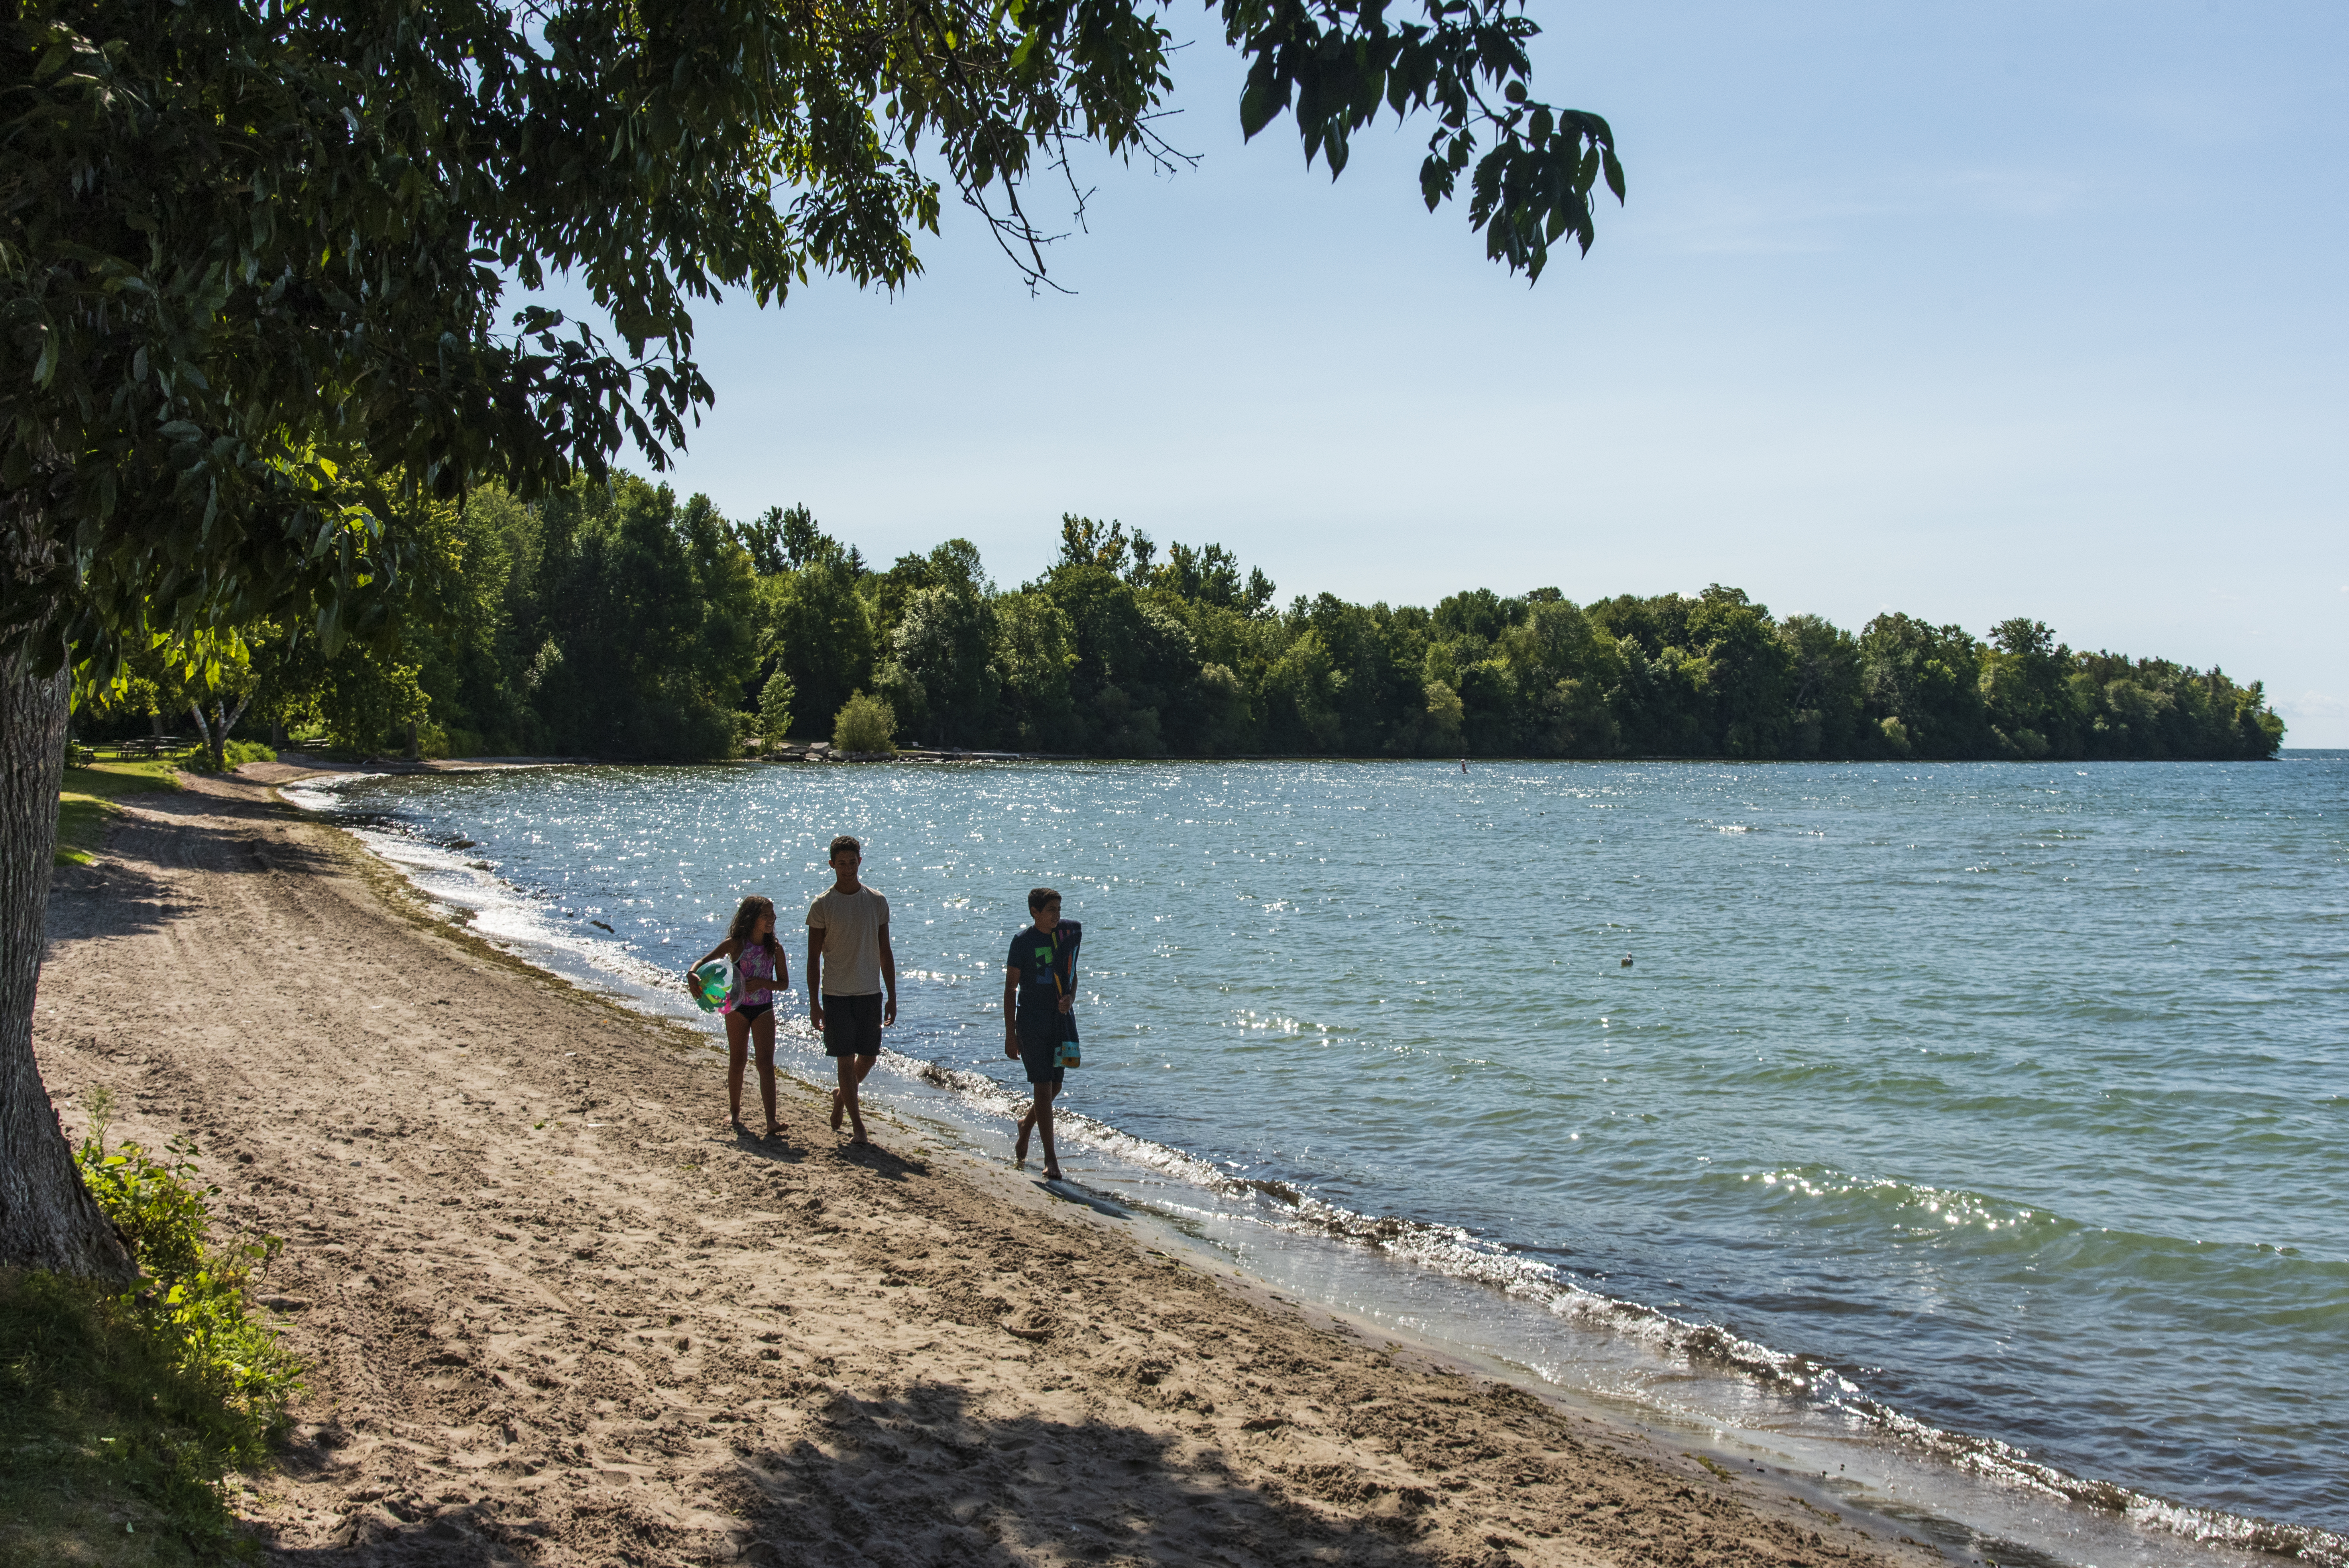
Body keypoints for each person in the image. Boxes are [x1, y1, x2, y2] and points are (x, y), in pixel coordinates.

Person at [806, 834, 895, 1145]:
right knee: (844, 1059)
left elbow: (886, 952)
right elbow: (813, 959)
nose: (847, 868)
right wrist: (815, 1003)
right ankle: (858, 1125)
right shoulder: (822, 905)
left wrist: (893, 996)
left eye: (852, 862)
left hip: (870, 992)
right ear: (831, 865)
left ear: (861, 861)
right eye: (841, 863)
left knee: (868, 1057)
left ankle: (842, 1096)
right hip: (836, 995)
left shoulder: (876, 901)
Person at [687, 896, 791, 1139]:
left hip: (764, 1008)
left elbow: (784, 984)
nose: (771, 919)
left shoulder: (774, 948)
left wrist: (763, 983)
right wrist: (692, 974)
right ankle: (735, 1113)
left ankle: (771, 1121)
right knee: (738, 1061)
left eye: (773, 915)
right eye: (766, 915)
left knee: (766, 1064)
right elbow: (703, 962)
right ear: (752, 918)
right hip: (736, 1008)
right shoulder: (735, 945)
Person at [1003, 886, 1079, 1181]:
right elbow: (1010, 989)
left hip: (1060, 1021)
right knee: (1043, 1087)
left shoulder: (1064, 938)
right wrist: (1011, 1034)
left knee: (1055, 1087)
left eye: (1059, 910)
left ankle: (1026, 1126)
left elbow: (1073, 975)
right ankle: (1050, 1158)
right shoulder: (1022, 942)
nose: (1057, 916)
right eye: (1051, 911)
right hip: (1031, 1021)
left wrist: (1070, 997)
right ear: (1035, 912)